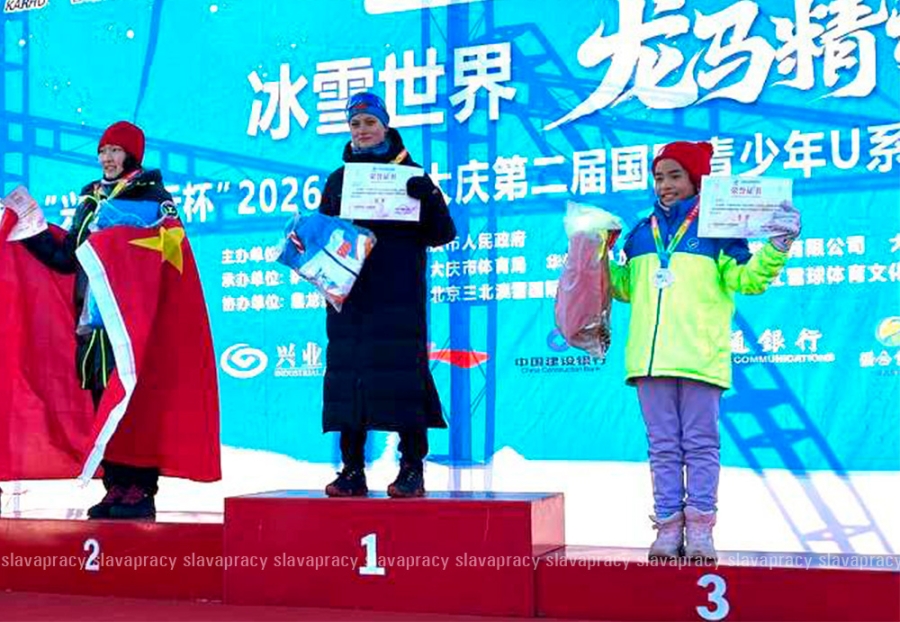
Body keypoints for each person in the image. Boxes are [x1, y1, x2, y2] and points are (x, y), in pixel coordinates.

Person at [609, 141, 800, 561]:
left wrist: (778, 246)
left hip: (700, 359)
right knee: (662, 447)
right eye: (659, 177)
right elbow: (625, 289)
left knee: (699, 446)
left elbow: (748, 280)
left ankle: (700, 530)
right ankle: (666, 527)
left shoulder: (719, 230)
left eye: (675, 175)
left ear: (696, 179)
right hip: (649, 362)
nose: (665, 184)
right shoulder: (640, 233)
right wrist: (595, 255)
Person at [22, 120, 179, 519]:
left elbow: (167, 255)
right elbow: (67, 259)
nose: (107, 158)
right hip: (93, 327)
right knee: (103, 405)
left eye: (115, 150)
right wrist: (29, 229)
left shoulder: (153, 197)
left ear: (132, 154)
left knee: (135, 407)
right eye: (103, 151)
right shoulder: (91, 200)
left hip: (132, 324)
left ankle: (141, 488)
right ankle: (115, 486)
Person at [318, 91, 456, 498]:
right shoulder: (338, 180)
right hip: (350, 300)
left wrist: (430, 197)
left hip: (399, 300)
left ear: (385, 125)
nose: (362, 131)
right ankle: (352, 470)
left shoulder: (411, 175)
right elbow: (324, 237)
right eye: (355, 124)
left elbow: (443, 233)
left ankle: (412, 468)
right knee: (350, 382)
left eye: (369, 123)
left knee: (404, 380)